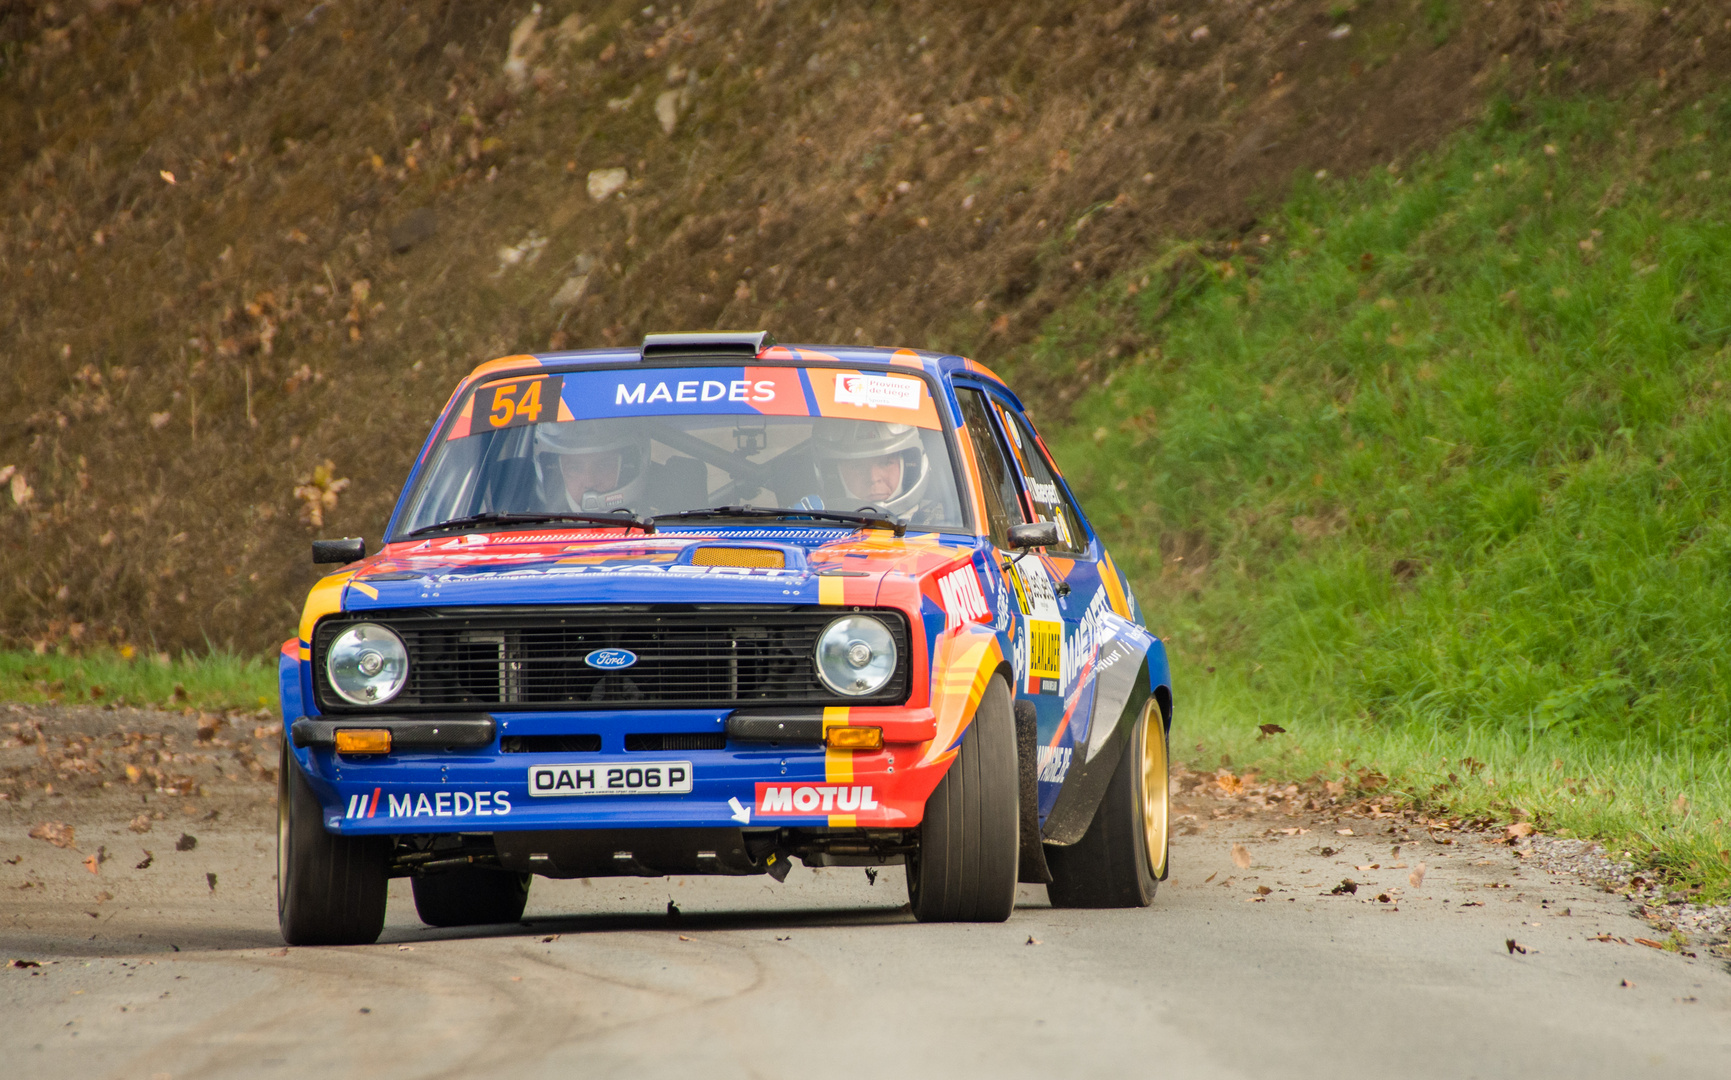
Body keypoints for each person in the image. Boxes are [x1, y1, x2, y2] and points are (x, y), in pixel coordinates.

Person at [810, 420, 937, 522]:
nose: (873, 478)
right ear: (835, 474)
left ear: (910, 466)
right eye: (857, 466)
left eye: (885, 463)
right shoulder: (810, 522)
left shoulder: (944, 527)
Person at [533, 420, 647, 513]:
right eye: (575, 468)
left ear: (626, 469)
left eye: (603, 466)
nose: (590, 482)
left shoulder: (658, 527)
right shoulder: (529, 530)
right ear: (559, 473)